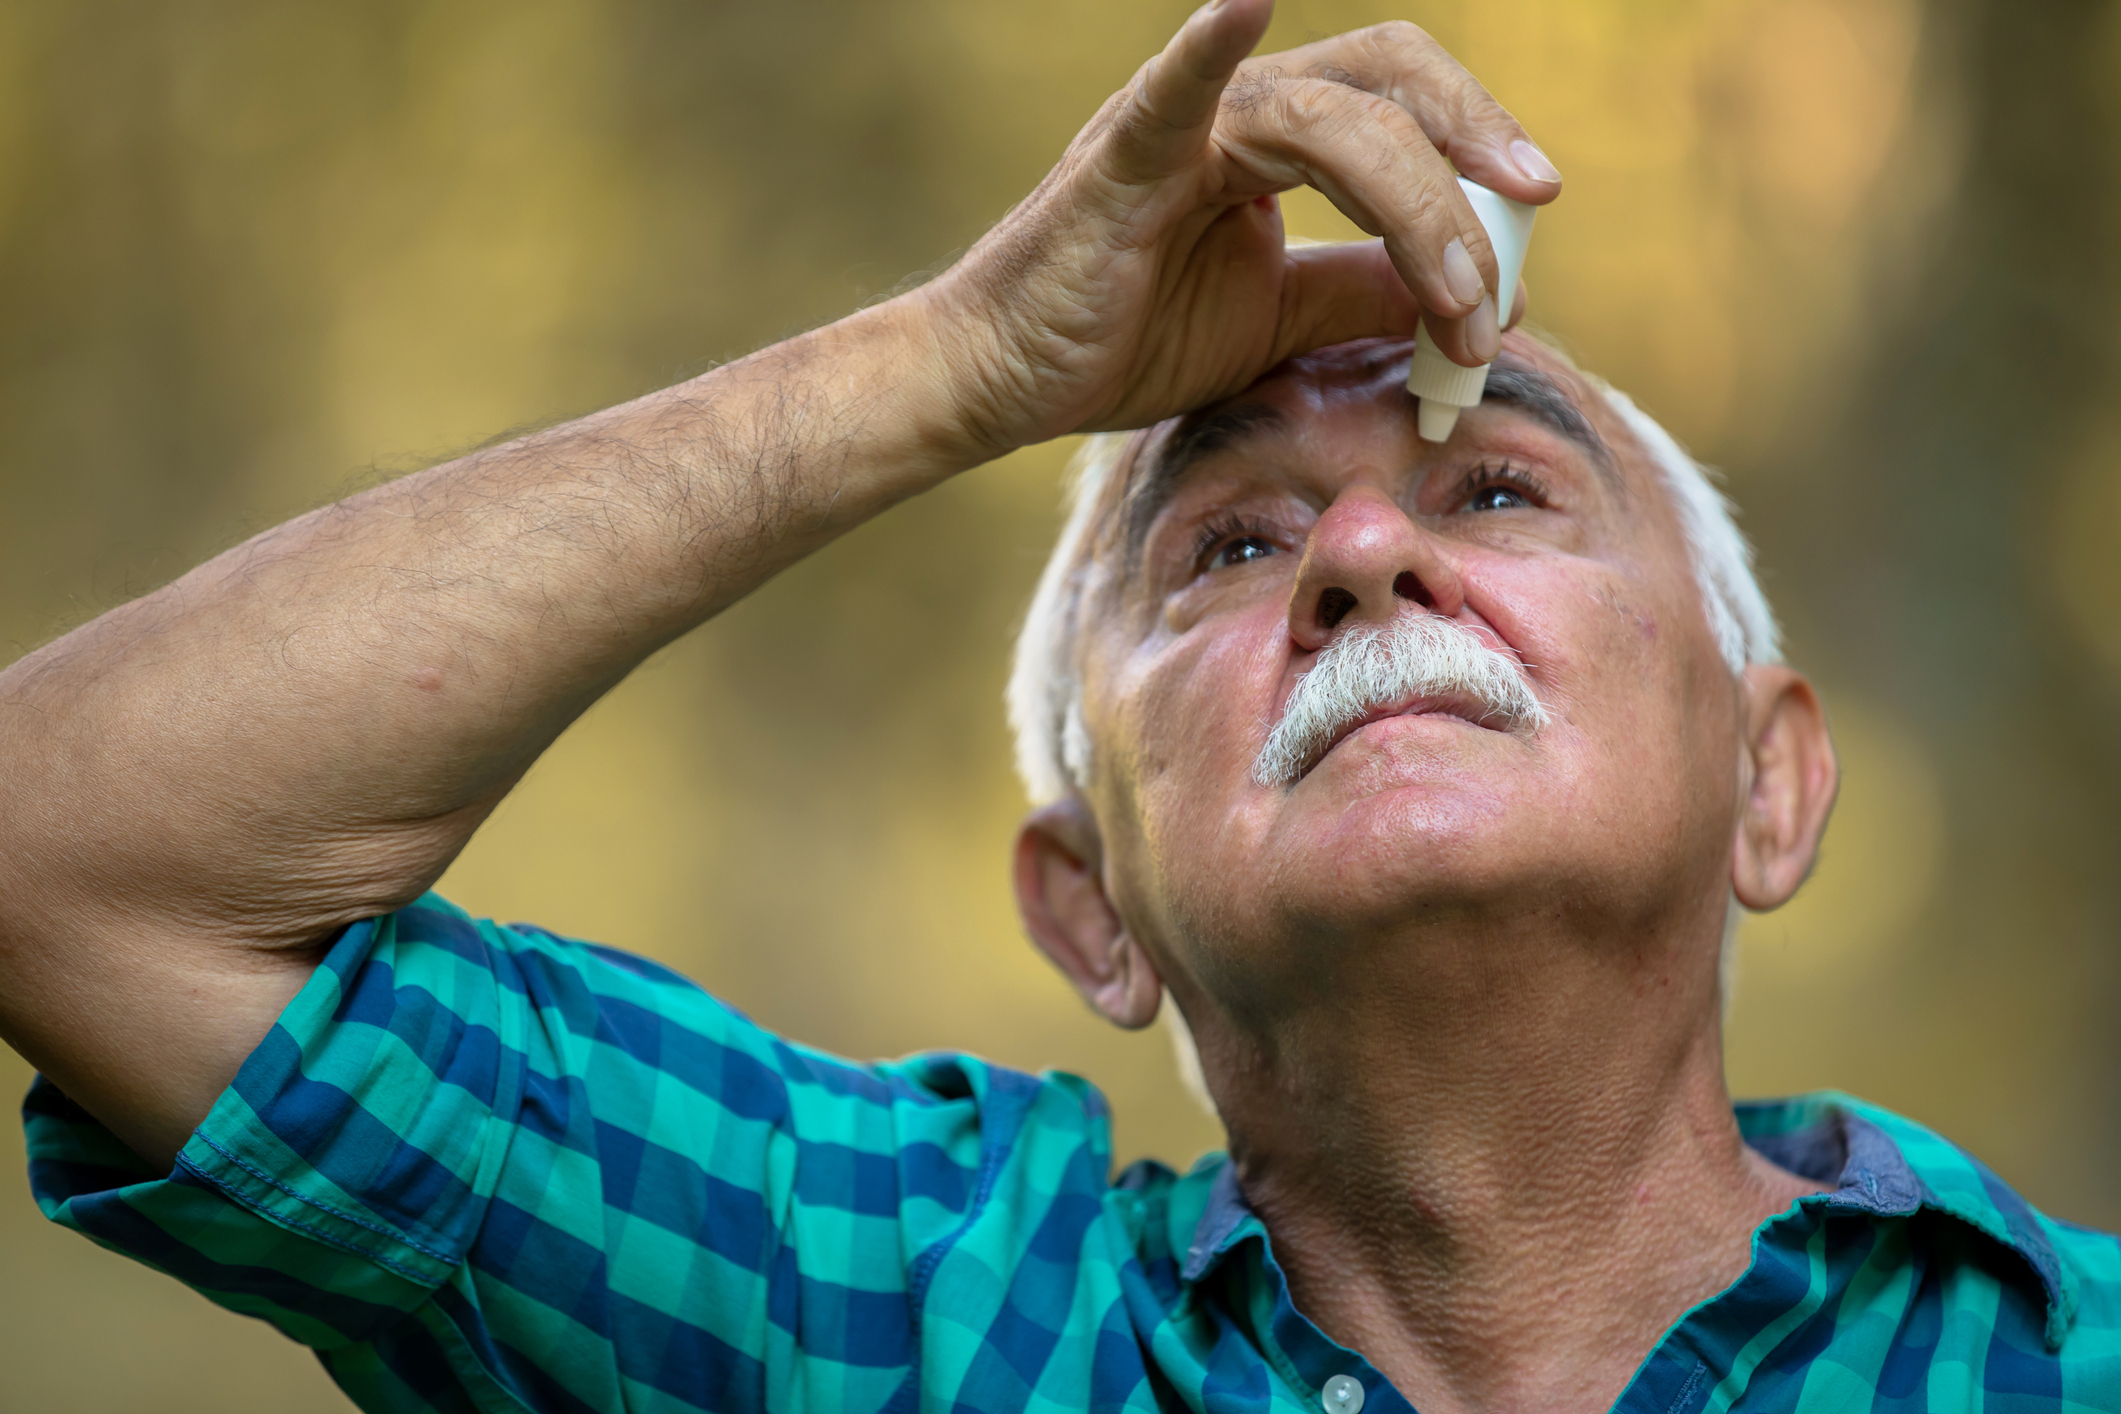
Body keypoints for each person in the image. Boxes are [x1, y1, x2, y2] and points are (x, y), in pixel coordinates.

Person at [3, 2, 2114, 1410]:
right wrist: (955, 363)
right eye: (1220, 544)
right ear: (1085, 899)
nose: (1364, 561)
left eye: (1492, 484)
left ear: (1768, 777)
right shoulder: (897, 1321)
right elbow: (71, 855)